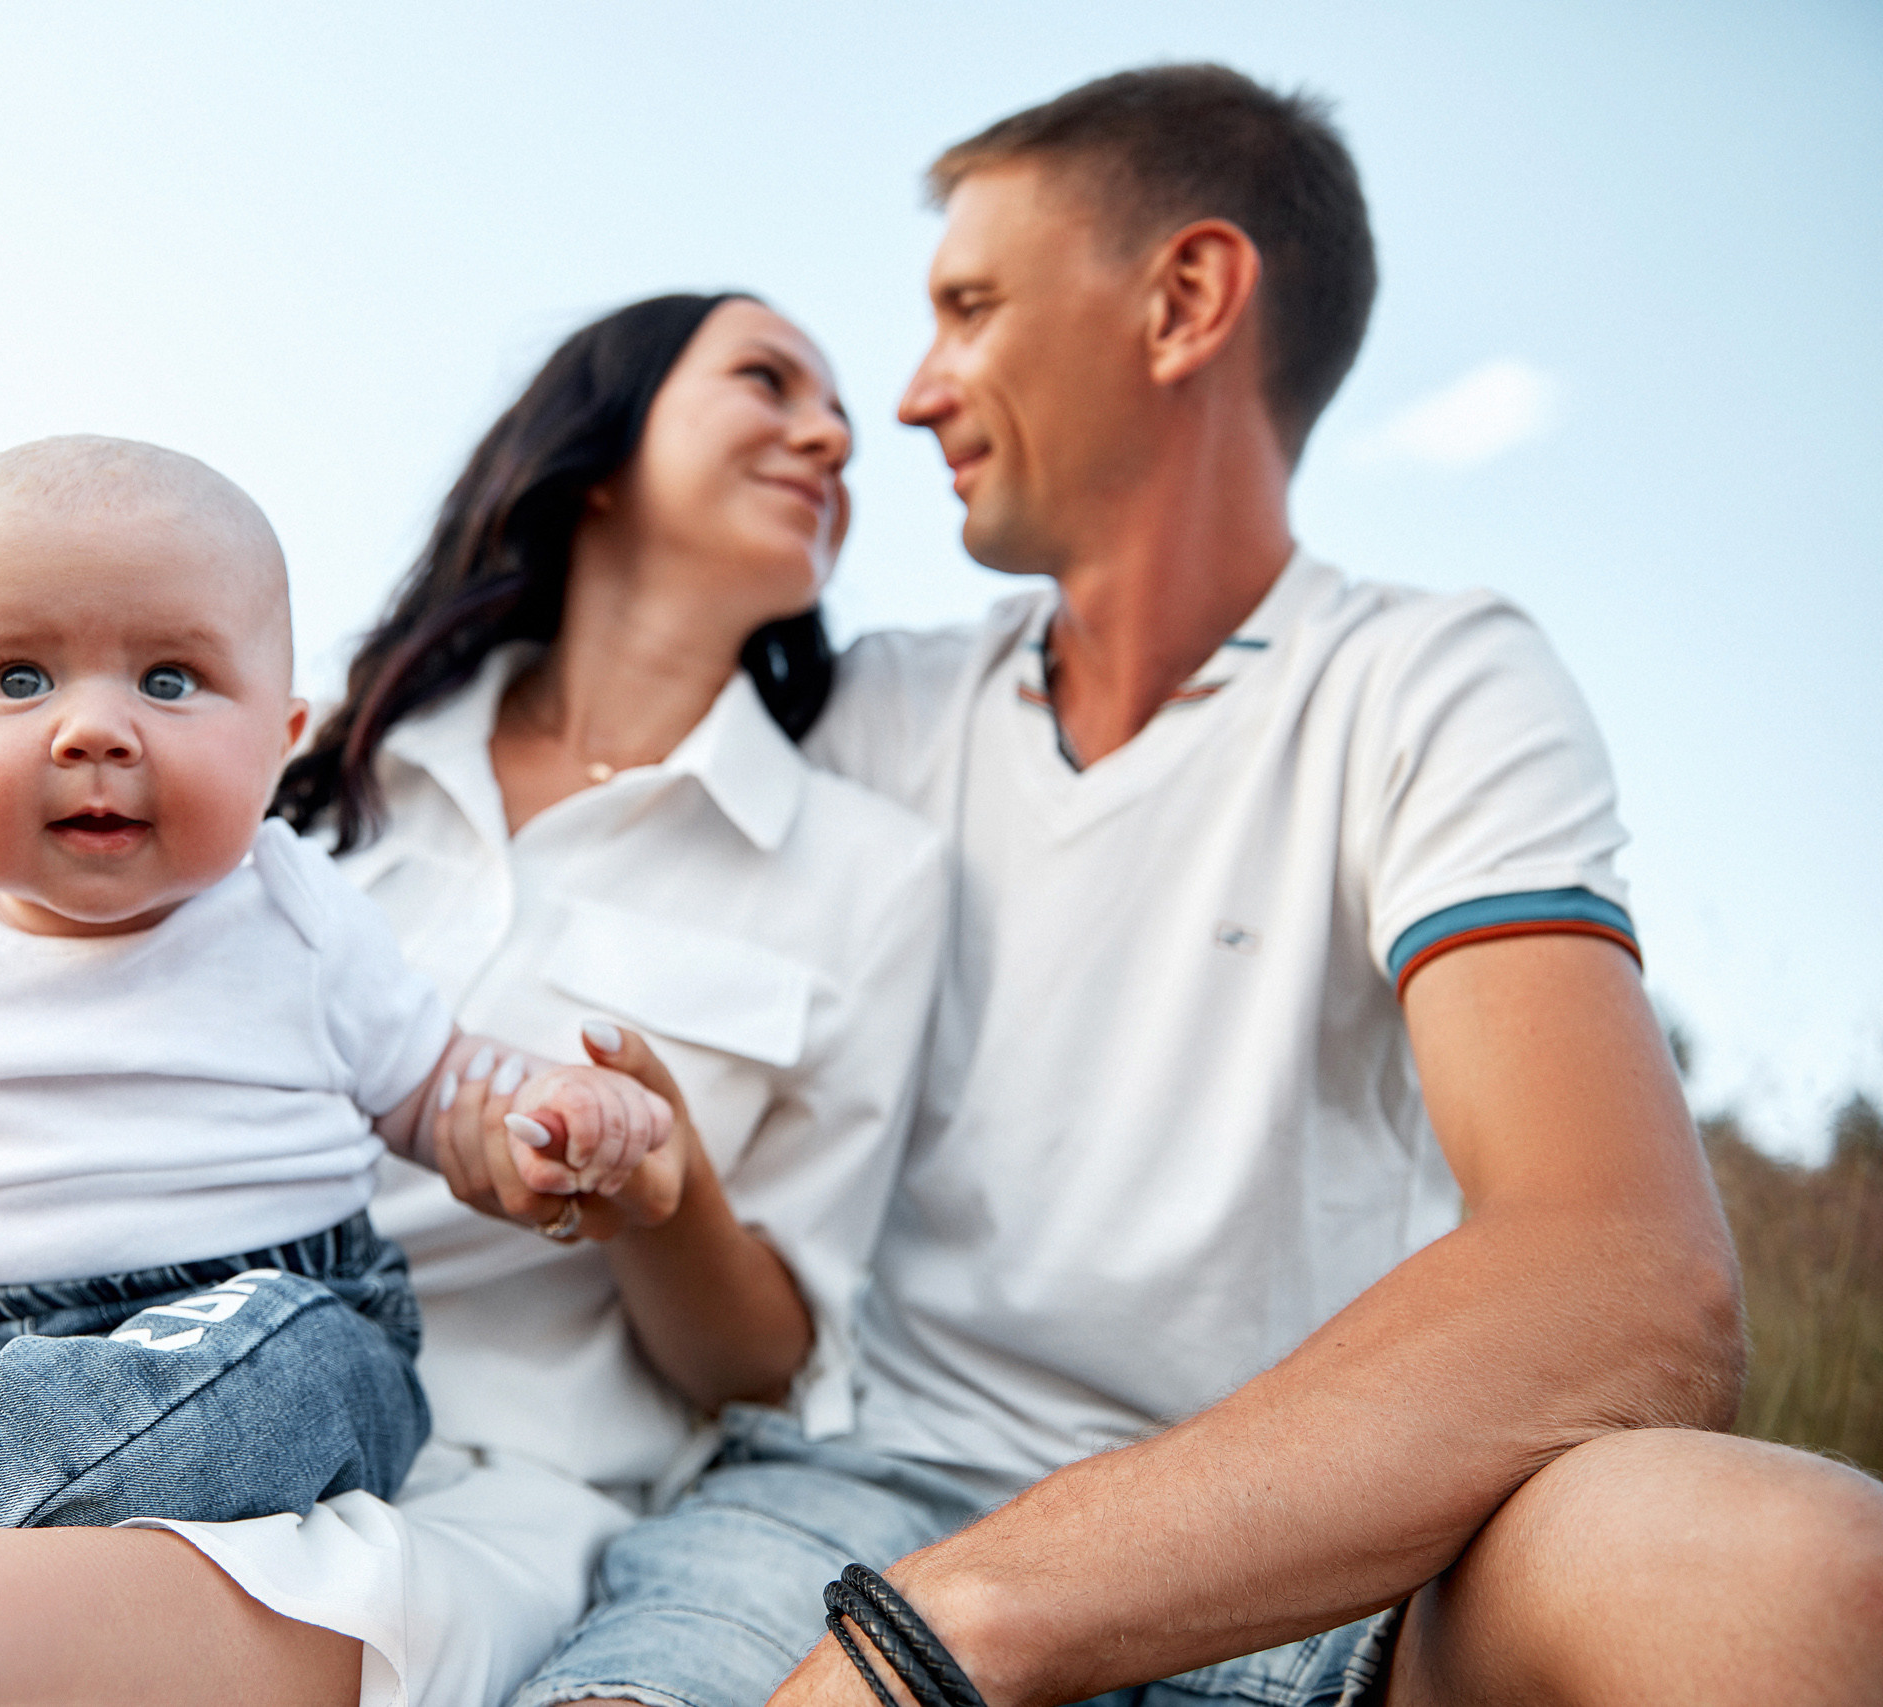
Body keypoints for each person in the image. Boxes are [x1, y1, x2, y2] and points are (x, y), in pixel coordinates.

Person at [510, 64, 1883, 1707]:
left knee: (1780, 1570)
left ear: (1185, 301)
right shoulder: (872, 711)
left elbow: (1632, 1279)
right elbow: (556, 751)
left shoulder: (1424, 680)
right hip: (838, 1504)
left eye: (968, 307)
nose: (914, 392)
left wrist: (965, 1623)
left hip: (1298, 1542)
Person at [0, 293, 950, 1706]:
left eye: (168, 677)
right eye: (769, 381)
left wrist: (608, 1155)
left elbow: (714, 1316)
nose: (837, 430)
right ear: (601, 450)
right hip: (6, 1368)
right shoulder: (296, 779)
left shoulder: (851, 868)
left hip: (421, 1432)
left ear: (268, 719)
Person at [0, 436, 675, 1673]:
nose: (93, 729)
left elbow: (434, 1087)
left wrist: (537, 1108)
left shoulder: (297, 917)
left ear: (279, 741)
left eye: (169, 680)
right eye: (17, 678)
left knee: (266, 1362)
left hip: (279, 1311)